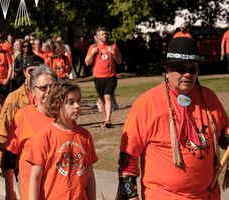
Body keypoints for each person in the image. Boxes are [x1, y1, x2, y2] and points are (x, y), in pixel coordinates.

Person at [117, 37, 229, 199]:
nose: (187, 75)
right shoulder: (147, 104)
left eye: (193, 69)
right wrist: (131, 197)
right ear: (167, 70)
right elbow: (127, 161)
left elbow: (224, 131)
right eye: (181, 69)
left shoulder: (208, 98)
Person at [27, 81, 97, 200]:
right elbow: (35, 178)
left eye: (78, 101)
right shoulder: (44, 136)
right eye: (71, 102)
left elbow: (89, 176)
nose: (77, 106)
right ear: (58, 104)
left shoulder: (85, 136)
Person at [3, 65, 57, 200]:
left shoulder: (64, 117)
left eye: (53, 87)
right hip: (31, 192)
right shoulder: (22, 116)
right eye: (44, 88)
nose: (49, 91)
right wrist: (9, 190)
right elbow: (10, 156)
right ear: (33, 90)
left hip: (59, 191)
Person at [0, 55, 44, 180]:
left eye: (39, 70)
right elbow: (2, 130)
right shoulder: (14, 98)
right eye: (31, 71)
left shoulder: (52, 97)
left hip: (47, 158)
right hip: (21, 160)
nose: (34, 74)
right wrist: (0, 159)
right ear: (24, 72)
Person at [85, 27, 122, 128]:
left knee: (108, 97)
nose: (104, 36)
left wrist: (114, 52)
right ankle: (105, 119)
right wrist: (92, 53)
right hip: (98, 76)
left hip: (110, 75)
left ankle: (108, 120)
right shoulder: (93, 47)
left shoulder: (113, 46)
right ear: (98, 36)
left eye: (105, 34)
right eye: (102, 34)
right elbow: (87, 62)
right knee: (102, 99)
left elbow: (119, 61)